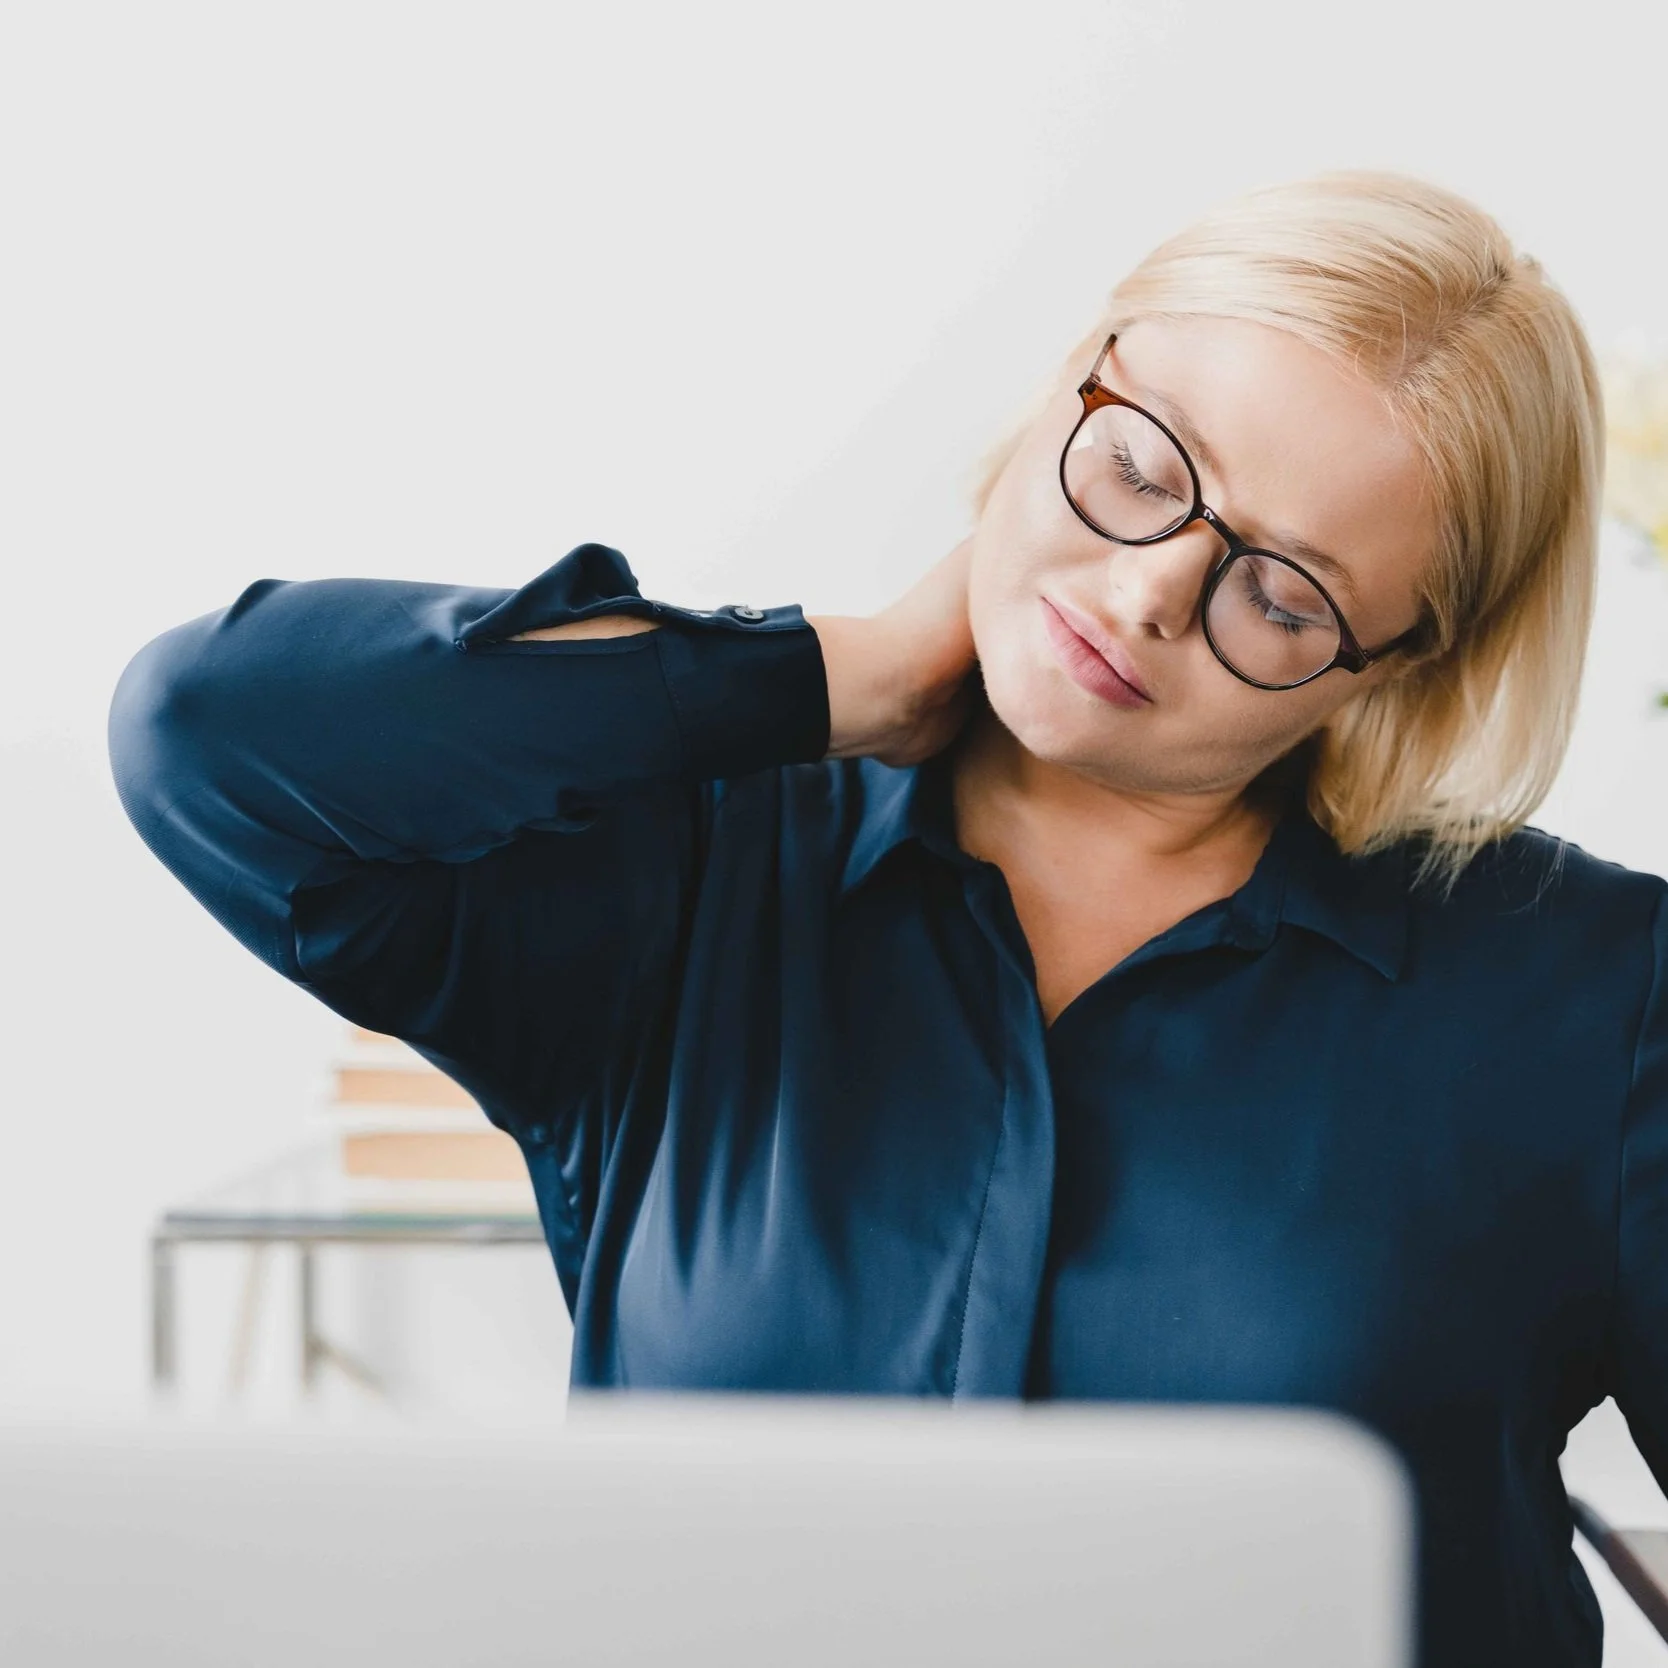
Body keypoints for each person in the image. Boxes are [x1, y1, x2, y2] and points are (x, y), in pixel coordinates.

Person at [107, 168, 1662, 1668]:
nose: (1148, 594)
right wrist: (840, 675)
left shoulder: (1599, 1006)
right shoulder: (684, 875)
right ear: (1071, 382)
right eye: (1140, 471)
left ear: (1394, 662)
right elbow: (210, 732)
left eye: (1282, 597)